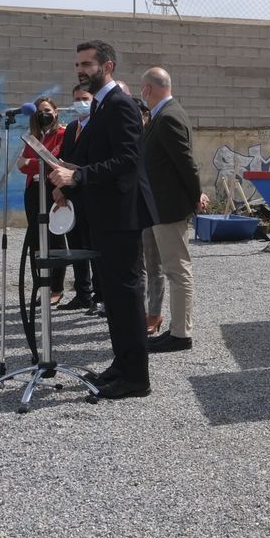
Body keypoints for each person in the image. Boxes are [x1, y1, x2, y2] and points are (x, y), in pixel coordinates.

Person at [49, 39, 150, 400]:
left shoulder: (120, 105)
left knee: (126, 296)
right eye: (78, 64)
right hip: (104, 215)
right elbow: (96, 158)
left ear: (107, 67)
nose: (80, 70)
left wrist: (78, 176)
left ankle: (136, 377)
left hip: (121, 216)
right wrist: (69, 175)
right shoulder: (100, 106)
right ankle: (121, 365)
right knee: (114, 299)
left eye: (87, 64)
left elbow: (127, 159)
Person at [138, 66, 209, 352]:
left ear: (147, 89)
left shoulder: (167, 117)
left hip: (168, 206)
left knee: (177, 270)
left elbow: (186, 163)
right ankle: (178, 329)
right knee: (174, 269)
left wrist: (195, 196)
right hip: (161, 206)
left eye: (142, 89)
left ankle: (180, 334)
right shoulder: (165, 114)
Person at [18, 95, 70, 307]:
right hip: (33, 190)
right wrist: (33, 163)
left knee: (55, 237)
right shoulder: (34, 136)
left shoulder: (63, 134)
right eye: (40, 112)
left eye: (47, 110)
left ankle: (57, 287)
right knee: (35, 238)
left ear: (55, 112)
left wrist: (30, 162)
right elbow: (20, 165)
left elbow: (53, 161)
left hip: (51, 188)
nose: (44, 114)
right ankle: (41, 285)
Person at [55, 84, 99, 311]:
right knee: (76, 246)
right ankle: (83, 293)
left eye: (85, 98)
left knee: (93, 248)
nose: (80, 103)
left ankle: (100, 295)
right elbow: (64, 159)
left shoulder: (99, 127)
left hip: (91, 195)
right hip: (72, 196)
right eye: (77, 99)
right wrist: (61, 189)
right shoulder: (72, 128)